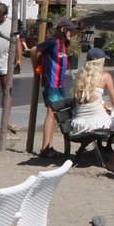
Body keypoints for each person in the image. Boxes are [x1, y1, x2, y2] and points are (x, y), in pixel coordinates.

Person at [71, 50, 114, 175]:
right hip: (96, 122)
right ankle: (112, 163)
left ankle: (105, 154)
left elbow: (76, 101)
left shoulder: (80, 75)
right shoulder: (105, 76)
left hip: (79, 122)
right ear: (100, 62)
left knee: (111, 117)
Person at [33, 20, 78, 159]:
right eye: (71, 31)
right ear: (63, 30)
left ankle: (49, 146)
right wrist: (36, 67)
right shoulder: (53, 42)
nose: (73, 34)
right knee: (51, 113)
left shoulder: (65, 45)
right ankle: (45, 148)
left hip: (60, 84)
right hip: (51, 82)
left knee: (56, 114)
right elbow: (34, 49)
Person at [0, 2, 24, 131]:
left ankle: (6, 121)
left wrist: (19, 58)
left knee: (6, 91)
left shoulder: (11, 25)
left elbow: (18, 42)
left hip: (4, 62)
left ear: (5, 14)